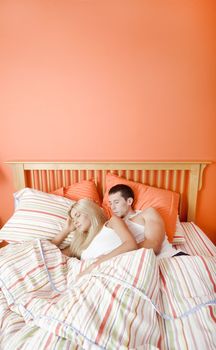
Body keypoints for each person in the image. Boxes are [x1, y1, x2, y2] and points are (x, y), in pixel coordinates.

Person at [51, 198, 138, 276]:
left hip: (117, 270)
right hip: (92, 279)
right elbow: (49, 253)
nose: (75, 222)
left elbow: (131, 244)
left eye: (78, 216)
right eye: (73, 220)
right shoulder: (80, 245)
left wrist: (95, 265)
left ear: (90, 211)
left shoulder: (112, 223)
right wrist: (66, 230)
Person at [108, 184, 187, 259]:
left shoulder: (148, 213)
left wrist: (120, 252)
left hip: (169, 257)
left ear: (129, 201)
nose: (112, 207)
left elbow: (154, 245)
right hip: (137, 264)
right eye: (110, 203)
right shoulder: (114, 224)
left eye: (116, 202)